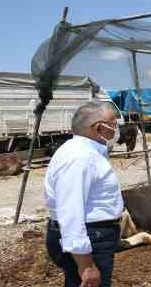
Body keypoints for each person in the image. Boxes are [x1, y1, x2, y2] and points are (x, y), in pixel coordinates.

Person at [45, 101, 124, 287]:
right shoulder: (80, 158)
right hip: (92, 237)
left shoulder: (84, 152)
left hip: (93, 234)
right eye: (113, 125)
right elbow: (70, 212)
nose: (116, 130)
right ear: (98, 127)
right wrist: (86, 265)